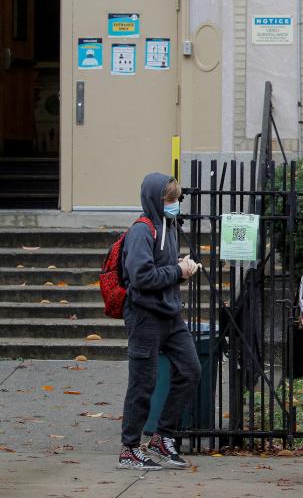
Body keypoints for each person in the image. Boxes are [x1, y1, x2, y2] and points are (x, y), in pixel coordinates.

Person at [118, 173, 200, 470]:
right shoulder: (142, 230)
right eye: (169, 199)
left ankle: (162, 437)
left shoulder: (169, 226)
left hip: (169, 314)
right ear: (155, 200)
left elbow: (160, 270)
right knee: (143, 383)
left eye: (176, 198)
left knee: (190, 370)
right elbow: (141, 276)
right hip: (145, 316)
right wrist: (178, 272)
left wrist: (180, 268)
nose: (174, 204)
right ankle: (129, 448)